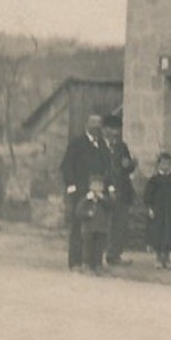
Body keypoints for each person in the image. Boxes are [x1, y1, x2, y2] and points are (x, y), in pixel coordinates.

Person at [60, 112, 112, 270]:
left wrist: (110, 187)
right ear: (87, 126)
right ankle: (76, 262)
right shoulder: (77, 143)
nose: (96, 128)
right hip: (81, 191)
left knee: (99, 227)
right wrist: (71, 186)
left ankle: (95, 262)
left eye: (99, 125)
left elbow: (108, 168)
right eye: (93, 125)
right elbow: (66, 165)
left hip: (99, 191)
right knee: (79, 226)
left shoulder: (103, 145)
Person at [103, 119, 138, 265]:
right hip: (102, 189)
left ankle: (114, 255)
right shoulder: (98, 145)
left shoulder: (122, 147)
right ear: (105, 130)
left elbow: (126, 168)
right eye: (111, 129)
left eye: (117, 130)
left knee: (120, 223)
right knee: (102, 222)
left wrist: (131, 165)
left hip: (122, 190)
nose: (114, 133)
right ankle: (95, 255)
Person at [143, 152, 171, 269]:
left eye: (168, 164)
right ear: (158, 165)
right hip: (158, 210)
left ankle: (166, 257)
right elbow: (147, 197)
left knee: (169, 233)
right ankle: (158, 257)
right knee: (158, 233)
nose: (165, 166)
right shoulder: (154, 180)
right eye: (163, 163)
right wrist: (149, 208)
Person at [76, 175, 113, 275]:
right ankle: (86, 265)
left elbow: (111, 207)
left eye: (99, 185)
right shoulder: (86, 199)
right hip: (88, 228)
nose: (97, 188)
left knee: (99, 248)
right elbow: (78, 212)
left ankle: (97, 265)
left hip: (101, 228)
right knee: (88, 247)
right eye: (95, 185)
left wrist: (103, 198)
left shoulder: (105, 200)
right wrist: (87, 213)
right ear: (90, 186)